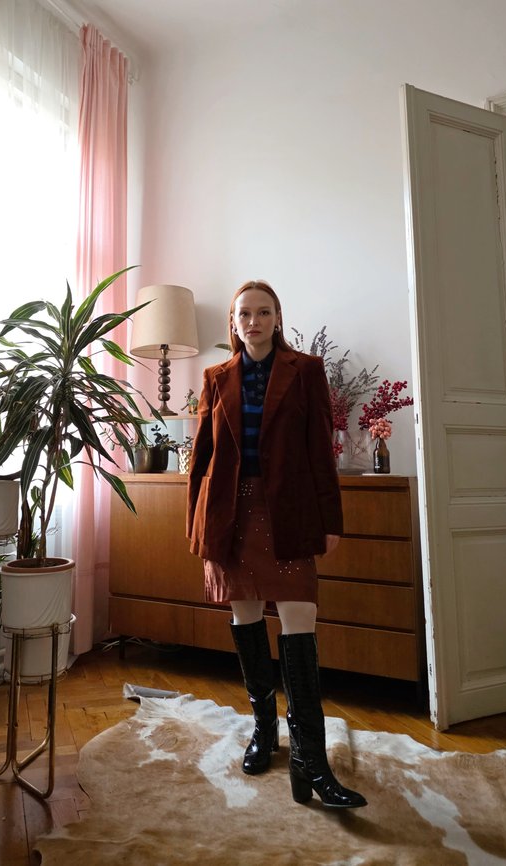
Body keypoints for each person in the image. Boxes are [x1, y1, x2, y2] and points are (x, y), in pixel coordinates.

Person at [186, 279, 367, 810]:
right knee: (244, 618)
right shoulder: (215, 377)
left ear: (277, 318)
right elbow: (200, 459)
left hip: (287, 512)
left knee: (298, 621)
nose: (255, 321)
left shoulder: (306, 371)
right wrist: (197, 526)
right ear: (234, 322)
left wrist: (330, 519)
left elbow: (320, 454)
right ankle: (264, 729)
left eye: (264, 312)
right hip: (231, 513)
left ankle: (311, 759)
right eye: (246, 313)